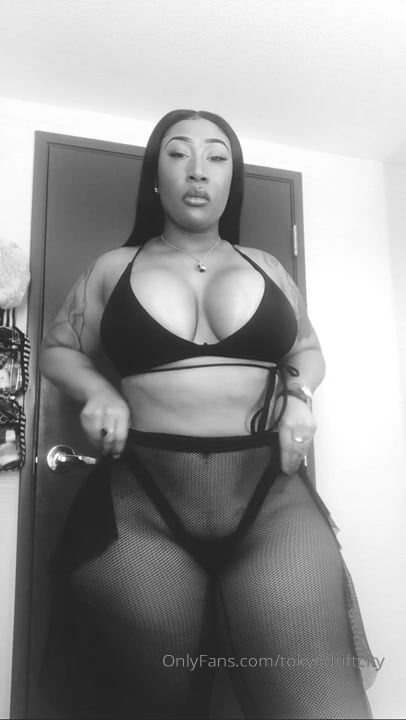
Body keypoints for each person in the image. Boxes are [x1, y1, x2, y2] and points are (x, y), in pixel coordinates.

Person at [40, 109, 376, 720]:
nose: (198, 170)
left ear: (231, 179)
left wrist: (299, 396)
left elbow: (307, 350)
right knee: (156, 701)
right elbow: (58, 349)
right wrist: (97, 391)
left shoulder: (266, 266)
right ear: (155, 176)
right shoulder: (112, 268)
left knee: (321, 704)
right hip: (143, 507)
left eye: (217, 157)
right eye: (179, 153)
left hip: (270, 500)